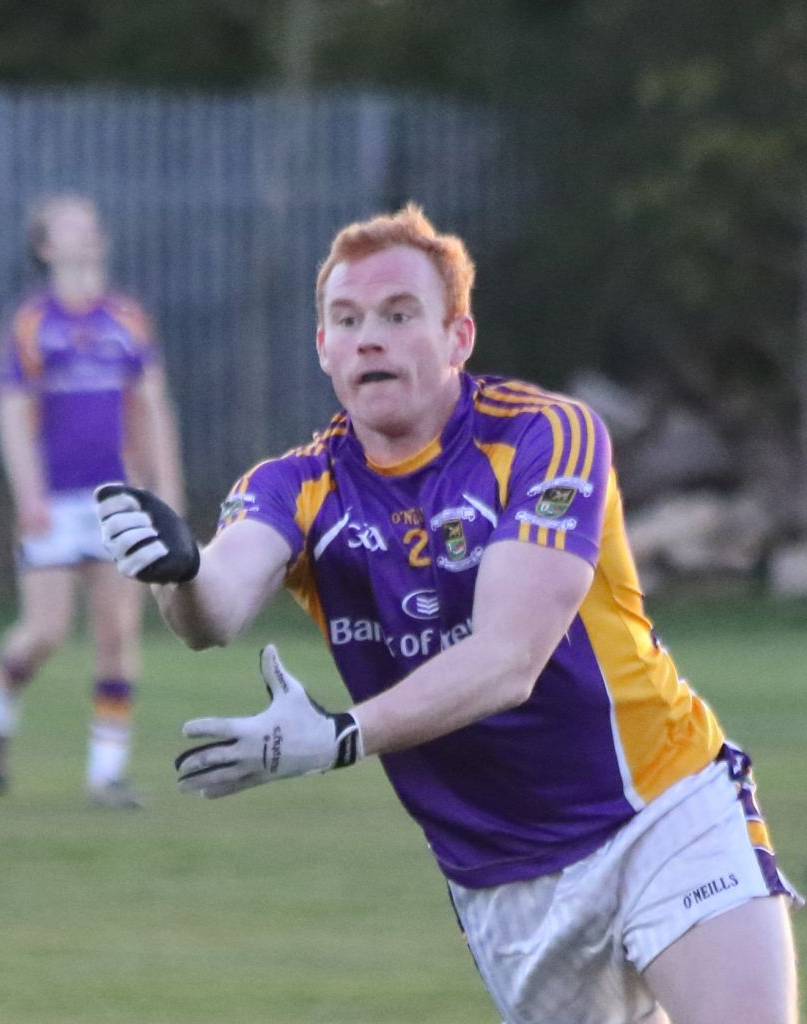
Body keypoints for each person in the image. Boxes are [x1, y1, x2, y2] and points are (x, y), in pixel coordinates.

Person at [96, 204, 802, 1022]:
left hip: (660, 809)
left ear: (458, 337)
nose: (370, 338)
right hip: (502, 882)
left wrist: (340, 735)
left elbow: (509, 659)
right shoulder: (297, 483)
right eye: (347, 319)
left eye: (400, 316)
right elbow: (211, 613)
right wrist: (175, 570)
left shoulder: (545, 434)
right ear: (322, 347)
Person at [0, 193, 185, 808]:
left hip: (116, 497)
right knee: (43, 632)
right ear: (45, 248)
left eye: (89, 225)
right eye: (68, 227)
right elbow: (12, 414)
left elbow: (150, 406)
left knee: (118, 631)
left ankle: (107, 774)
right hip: (55, 501)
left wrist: (166, 487)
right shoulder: (31, 322)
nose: (84, 234)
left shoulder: (127, 319)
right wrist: (28, 494)